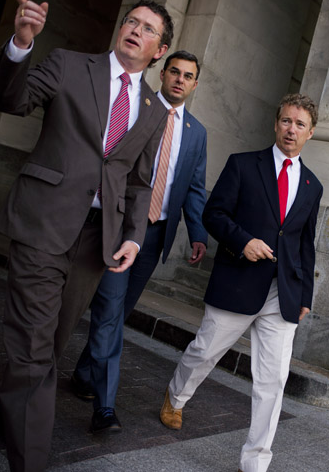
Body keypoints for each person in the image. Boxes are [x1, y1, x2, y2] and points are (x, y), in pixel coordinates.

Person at [0, 0, 172, 472]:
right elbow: (11, 100)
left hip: (95, 243)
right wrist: (22, 43)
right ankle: (30, 459)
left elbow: (137, 181)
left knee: (50, 343)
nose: (135, 30)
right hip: (44, 222)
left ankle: (13, 413)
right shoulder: (70, 65)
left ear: (160, 49)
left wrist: (133, 236)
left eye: (148, 28)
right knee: (33, 347)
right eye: (132, 21)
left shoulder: (154, 111)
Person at [159, 93, 323, 472]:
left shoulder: (313, 185)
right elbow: (213, 214)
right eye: (286, 120)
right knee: (205, 352)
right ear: (276, 122)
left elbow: (305, 244)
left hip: (283, 293)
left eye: (299, 124)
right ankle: (176, 396)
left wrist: (305, 295)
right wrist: (243, 241)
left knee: (272, 379)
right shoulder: (244, 165)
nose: (291, 129)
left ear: (310, 133)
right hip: (238, 280)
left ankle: (255, 462)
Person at [69, 50, 208, 434]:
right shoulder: (139, 108)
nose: (180, 80)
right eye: (174, 72)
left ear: (195, 84)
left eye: (188, 76)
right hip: (120, 226)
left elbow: (195, 187)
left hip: (156, 233)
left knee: (121, 310)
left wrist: (197, 233)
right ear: (162, 74)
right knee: (111, 311)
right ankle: (105, 405)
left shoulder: (197, 132)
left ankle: (84, 374)